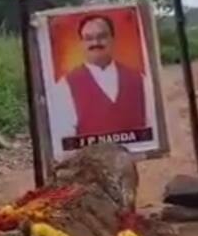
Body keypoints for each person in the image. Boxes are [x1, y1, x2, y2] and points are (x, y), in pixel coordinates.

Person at [50, 14, 153, 146]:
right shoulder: (65, 85)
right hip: (90, 164)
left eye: (102, 36)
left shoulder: (139, 79)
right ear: (81, 43)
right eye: (89, 38)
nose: (95, 43)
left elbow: (151, 127)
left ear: (112, 39)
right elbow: (64, 141)